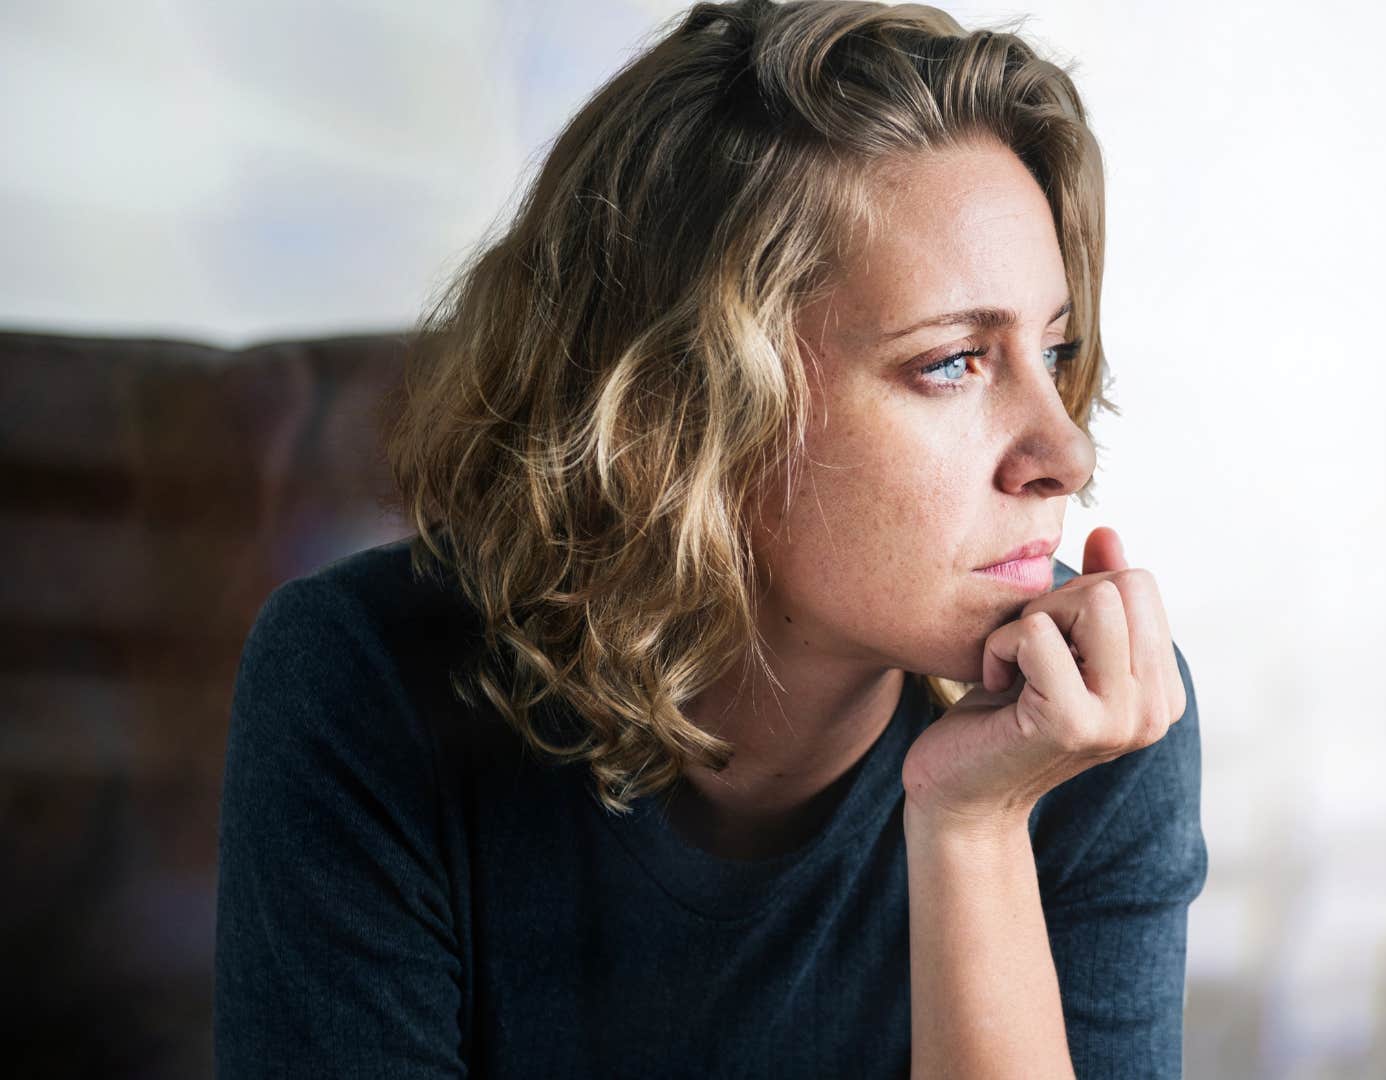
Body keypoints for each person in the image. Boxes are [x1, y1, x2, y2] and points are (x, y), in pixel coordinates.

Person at [213, 0, 1207, 1076]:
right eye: (951, 363)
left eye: (1053, 352)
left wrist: (974, 826)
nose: (1065, 452)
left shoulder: (1091, 726)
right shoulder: (363, 680)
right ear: (687, 409)